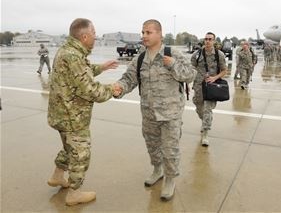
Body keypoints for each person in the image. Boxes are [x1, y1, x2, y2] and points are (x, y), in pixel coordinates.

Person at [113, 19, 196, 201]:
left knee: (170, 149)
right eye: (143, 32)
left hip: (170, 113)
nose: (144, 36)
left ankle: (170, 179)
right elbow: (129, 79)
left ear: (159, 34)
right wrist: (119, 87)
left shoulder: (171, 53)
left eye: (148, 32)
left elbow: (191, 74)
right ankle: (157, 170)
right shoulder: (140, 58)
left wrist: (173, 64)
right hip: (149, 112)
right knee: (152, 145)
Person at [47, 18, 120, 206]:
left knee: (68, 148)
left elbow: (79, 74)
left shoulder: (68, 51)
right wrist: (113, 89)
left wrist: (101, 67)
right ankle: (74, 194)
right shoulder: (74, 56)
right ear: (85, 36)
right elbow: (90, 90)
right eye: (94, 33)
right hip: (73, 117)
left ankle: (57, 176)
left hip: (62, 114)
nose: (96, 36)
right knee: (80, 154)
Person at [190, 32, 227, 146]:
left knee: (207, 109)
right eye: (206, 39)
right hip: (198, 85)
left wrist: (214, 78)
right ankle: (206, 120)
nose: (207, 41)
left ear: (214, 41)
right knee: (199, 107)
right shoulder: (197, 54)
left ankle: (205, 133)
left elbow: (224, 71)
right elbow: (191, 67)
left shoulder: (219, 54)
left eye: (210, 39)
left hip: (211, 87)